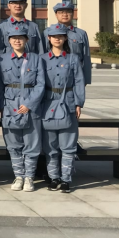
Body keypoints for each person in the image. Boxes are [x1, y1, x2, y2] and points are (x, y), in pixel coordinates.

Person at [0, 28, 46, 193]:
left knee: (32, 143)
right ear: (9, 41)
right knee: (13, 144)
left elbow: (40, 84)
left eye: (21, 38)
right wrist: (1, 106)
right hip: (10, 106)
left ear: (26, 40)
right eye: (14, 38)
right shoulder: (2, 59)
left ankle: (29, 177)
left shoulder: (35, 59)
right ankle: (18, 176)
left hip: (31, 107)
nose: (17, 41)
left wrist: (30, 104)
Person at [41, 23, 86, 193]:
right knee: (50, 146)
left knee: (68, 145)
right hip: (48, 104)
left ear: (65, 38)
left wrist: (78, 103)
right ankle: (54, 178)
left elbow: (79, 82)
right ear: (49, 38)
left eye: (60, 36)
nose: (57, 39)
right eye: (54, 36)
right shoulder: (42, 59)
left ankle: (66, 179)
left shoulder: (73, 59)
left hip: (67, 102)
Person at [44, 1, 92, 85]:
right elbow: (43, 54)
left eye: (68, 12)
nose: (65, 15)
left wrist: (85, 79)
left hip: (75, 75)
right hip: (53, 76)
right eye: (61, 12)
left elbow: (86, 57)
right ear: (56, 15)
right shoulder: (47, 33)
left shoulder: (81, 34)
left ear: (73, 14)